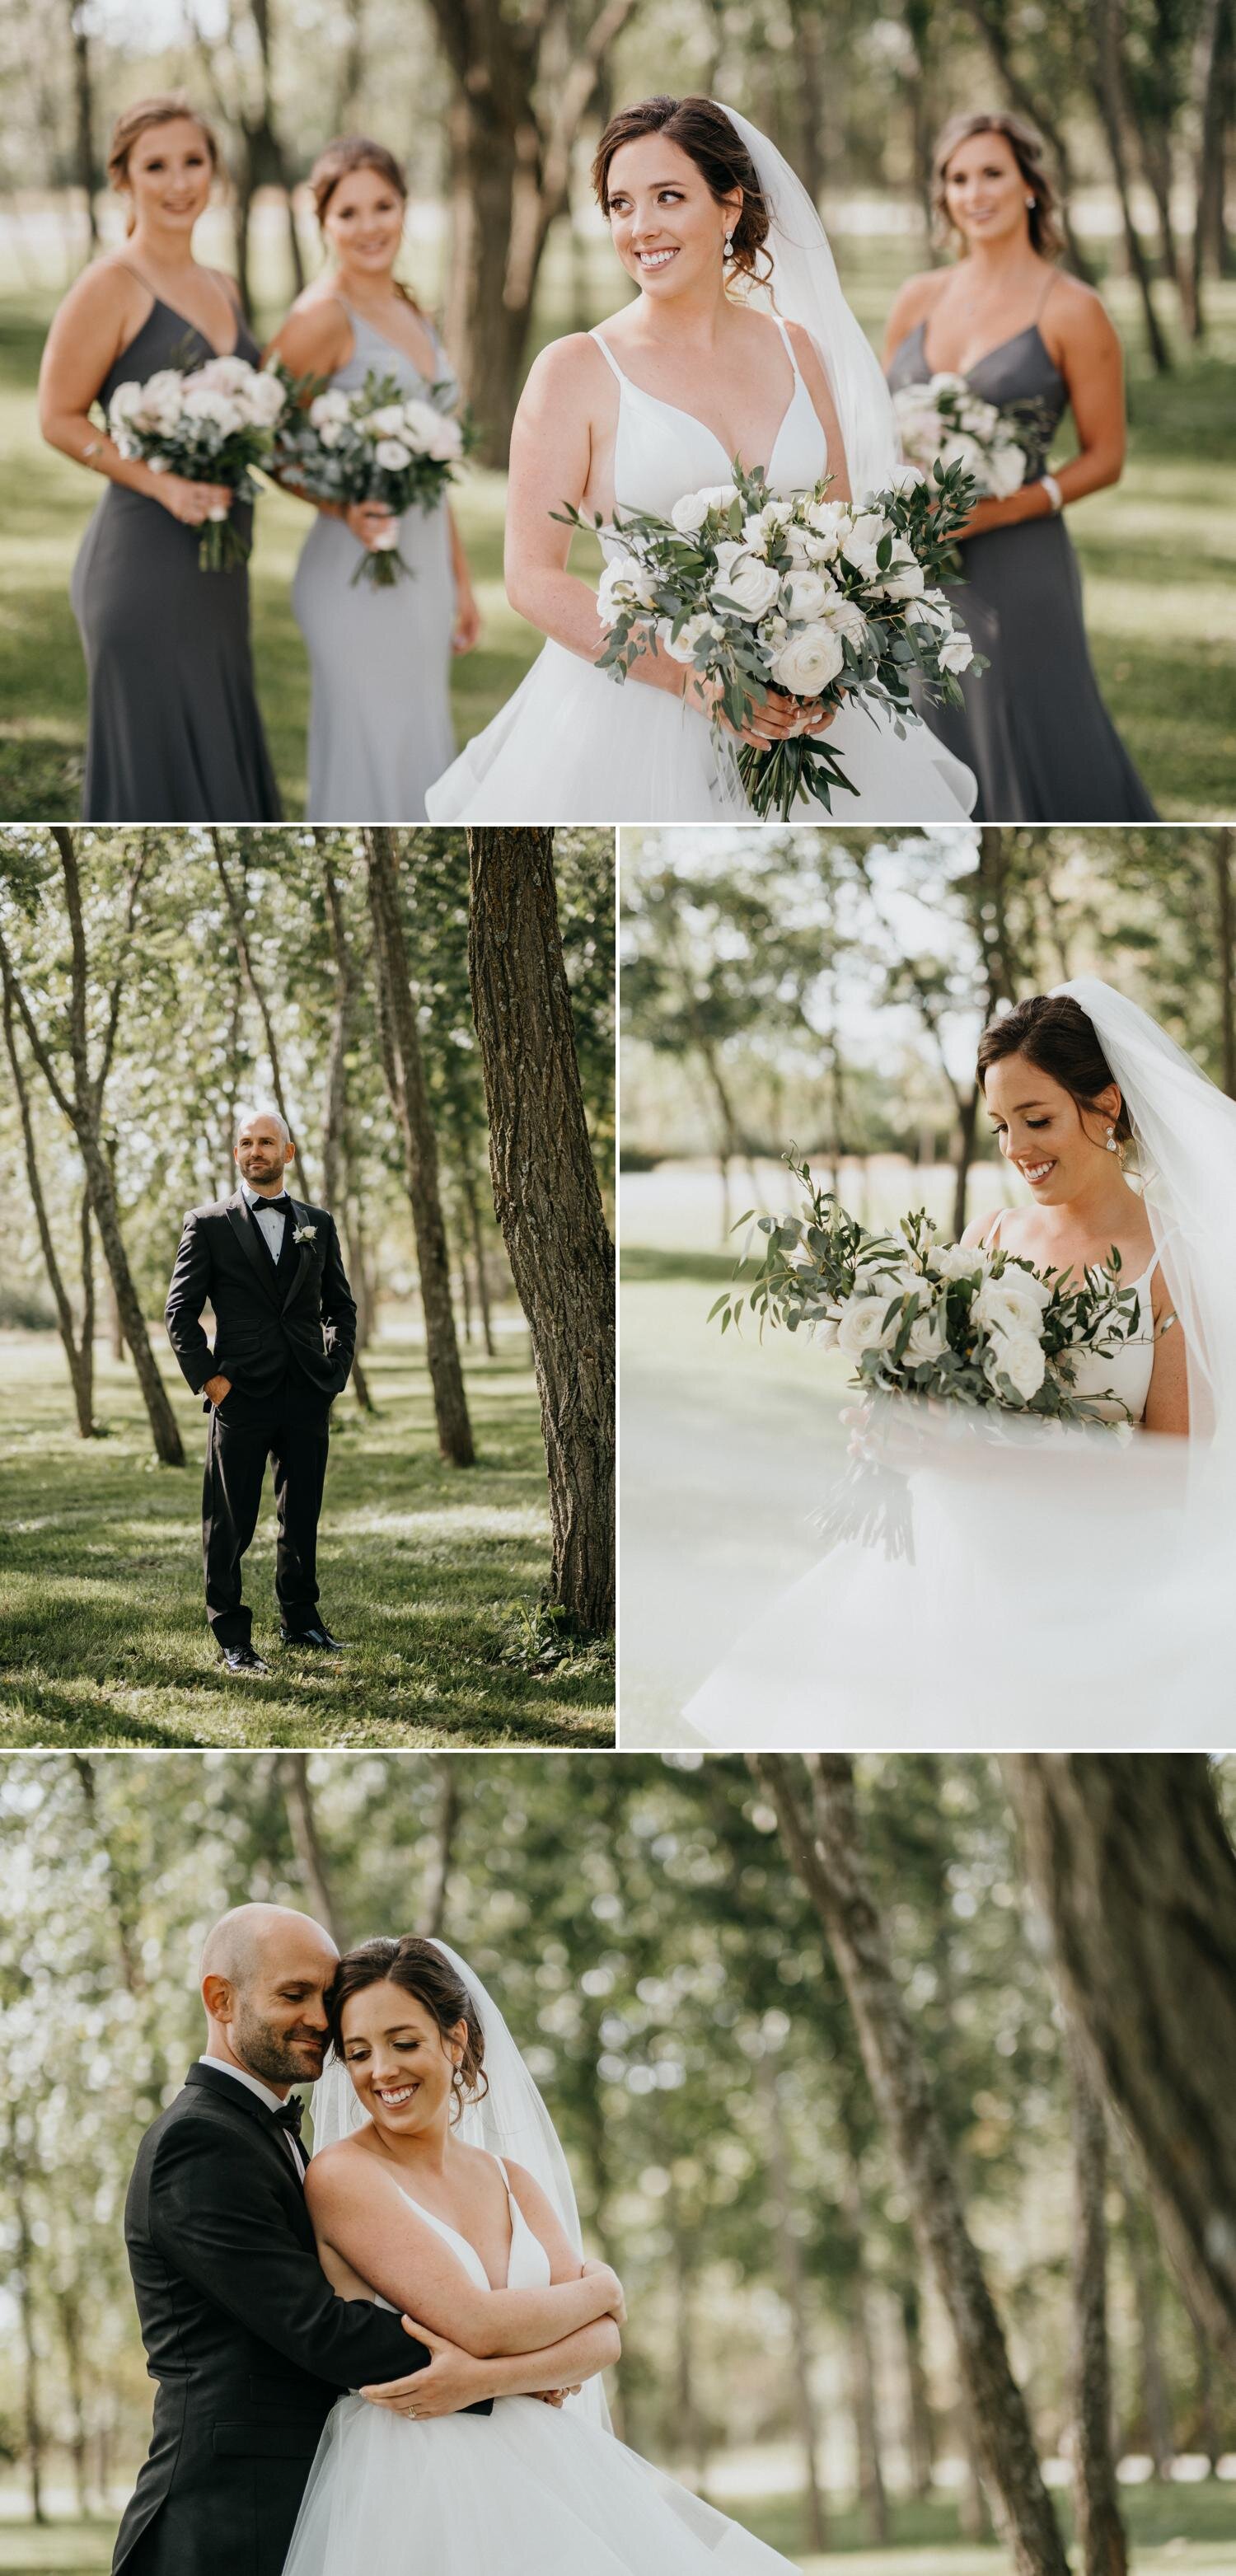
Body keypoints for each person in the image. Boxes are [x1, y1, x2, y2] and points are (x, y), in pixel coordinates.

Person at [683, 979, 1236, 1745]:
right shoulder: (990, 1236)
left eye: (1036, 1120)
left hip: (1097, 1592)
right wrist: (898, 1429)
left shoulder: (1178, 1263)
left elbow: (1168, 1474)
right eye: (1002, 1125)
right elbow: (949, 1402)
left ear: (1107, 1105)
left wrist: (977, 1461)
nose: (1016, 1150)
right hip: (958, 1566)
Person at [426, 94, 975, 824]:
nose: (640, 226)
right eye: (621, 204)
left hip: (803, 707)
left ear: (728, 208)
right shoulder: (574, 370)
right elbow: (531, 577)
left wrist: (828, 657)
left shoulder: (795, 347)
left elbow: (846, 534)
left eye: (668, 197)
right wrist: (688, 677)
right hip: (635, 711)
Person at [282, 1933, 802, 2574]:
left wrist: (486, 2380)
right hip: (418, 2476)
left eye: (404, 2042)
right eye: (358, 2053)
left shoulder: (512, 2181)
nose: (381, 2071)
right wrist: (604, 2291)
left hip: (551, 2466)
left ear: (457, 2040)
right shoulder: (344, 2176)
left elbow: (603, 2345)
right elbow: (475, 2322)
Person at [111, 1904, 497, 2576]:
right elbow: (320, 2331)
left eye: (326, 1995)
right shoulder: (196, 2143)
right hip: (224, 2524)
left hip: (304, 2503)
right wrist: (500, 2369)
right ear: (221, 1999)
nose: (322, 2018)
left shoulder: (268, 2132)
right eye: (294, 1995)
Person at [883, 110, 1157, 822]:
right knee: (927, 725)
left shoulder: (1073, 310)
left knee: (1033, 729)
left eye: (993, 174)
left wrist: (996, 511)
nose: (975, 192)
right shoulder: (917, 299)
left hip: (1019, 561)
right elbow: (880, 429)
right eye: (958, 177)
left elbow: (1106, 458)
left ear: (1031, 186)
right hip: (918, 566)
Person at [38, 94, 279, 822]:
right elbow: (54, 416)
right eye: (156, 166)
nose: (179, 183)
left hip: (221, 563)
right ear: (123, 180)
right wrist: (162, 485)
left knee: (220, 740)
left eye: (194, 162)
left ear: (215, 171)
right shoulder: (110, 284)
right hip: (142, 559)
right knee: (154, 769)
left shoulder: (224, 287)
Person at [266, 137, 480, 822]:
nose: (369, 226)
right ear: (323, 224)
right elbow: (259, 432)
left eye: (382, 206)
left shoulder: (412, 308)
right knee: (367, 754)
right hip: (351, 581)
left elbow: (434, 471)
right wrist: (337, 505)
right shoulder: (320, 317)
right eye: (348, 212)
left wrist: (461, 581)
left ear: (404, 209)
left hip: (422, 580)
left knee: (421, 746)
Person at [163, 1107, 353, 1673]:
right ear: (236, 1153)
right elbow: (179, 1314)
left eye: (267, 1142)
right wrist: (212, 1382)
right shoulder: (208, 1223)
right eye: (245, 1143)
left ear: (287, 1153)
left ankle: (302, 1621)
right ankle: (232, 1638)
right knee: (230, 1521)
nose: (255, 1152)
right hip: (239, 1393)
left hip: (305, 1392)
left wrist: (334, 1370)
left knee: (301, 1517)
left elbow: (339, 1305)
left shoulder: (318, 1221)